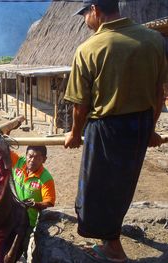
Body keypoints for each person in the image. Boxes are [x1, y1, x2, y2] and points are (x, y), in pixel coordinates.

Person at [64, 0, 168, 262]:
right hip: (140, 126)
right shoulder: (154, 40)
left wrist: (75, 134)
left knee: (97, 189)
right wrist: (151, 131)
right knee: (123, 184)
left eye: (85, 14)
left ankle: (112, 247)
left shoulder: (89, 49)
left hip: (107, 129)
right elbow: (159, 93)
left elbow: (80, 106)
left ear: (95, 10)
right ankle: (113, 236)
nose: (85, 21)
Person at [11, 145, 56, 258]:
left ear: (44, 159)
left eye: (37, 158)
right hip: (12, 217)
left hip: (30, 223)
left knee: (28, 250)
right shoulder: (19, 162)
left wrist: (36, 205)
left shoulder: (46, 179)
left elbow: (49, 202)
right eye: (30, 156)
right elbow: (3, 149)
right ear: (25, 156)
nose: (32, 160)